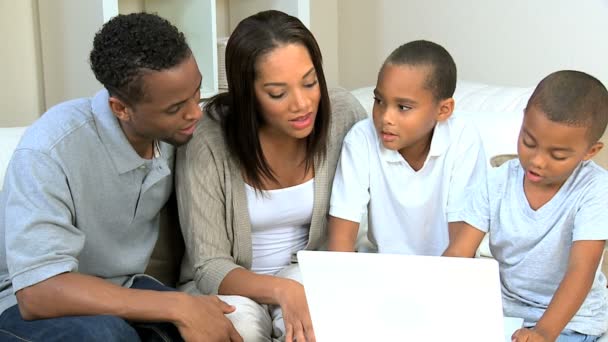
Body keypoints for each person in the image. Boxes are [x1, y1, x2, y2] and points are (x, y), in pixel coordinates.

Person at [0, 13, 242, 342]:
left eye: (196, 92)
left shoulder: (174, 134)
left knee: (214, 321)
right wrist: (174, 305)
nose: (195, 113)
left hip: (120, 286)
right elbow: (37, 292)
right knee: (107, 335)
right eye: (175, 108)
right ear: (120, 109)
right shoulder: (48, 152)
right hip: (20, 301)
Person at [175, 10, 366, 342]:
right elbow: (209, 266)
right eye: (278, 93)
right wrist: (282, 290)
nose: (303, 104)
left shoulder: (343, 115)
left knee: (317, 328)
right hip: (231, 286)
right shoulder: (208, 141)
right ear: (247, 96)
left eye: (310, 82)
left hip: (308, 273)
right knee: (240, 330)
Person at [443, 70, 608, 341]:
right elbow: (461, 251)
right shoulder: (496, 181)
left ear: (590, 151)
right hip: (505, 312)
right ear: (523, 121)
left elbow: (582, 269)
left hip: (570, 321)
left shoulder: (595, 190)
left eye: (558, 155)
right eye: (529, 142)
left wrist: (544, 332)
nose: (537, 161)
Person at [327, 40, 486, 255]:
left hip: (447, 271)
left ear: (443, 110)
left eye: (403, 107)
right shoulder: (360, 139)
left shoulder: (462, 139)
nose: (386, 117)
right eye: (379, 100)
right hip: (382, 270)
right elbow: (340, 242)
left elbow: (461, 244)